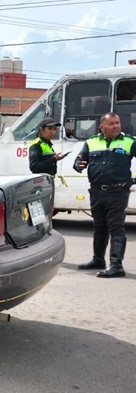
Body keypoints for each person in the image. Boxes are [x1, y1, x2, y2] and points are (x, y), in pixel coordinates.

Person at [73, 112, 136, 278]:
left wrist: (133, 181)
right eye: (111, 123)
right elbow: (79, 161)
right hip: (96, 191)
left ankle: (116, 266)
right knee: (99, 227)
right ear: (102, 126)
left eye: (117, 123)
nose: (116, 126)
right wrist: (79, 164)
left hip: (118, 192)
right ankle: (98, 260)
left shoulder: (129, 141)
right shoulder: (91, 142)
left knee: (115, 227)